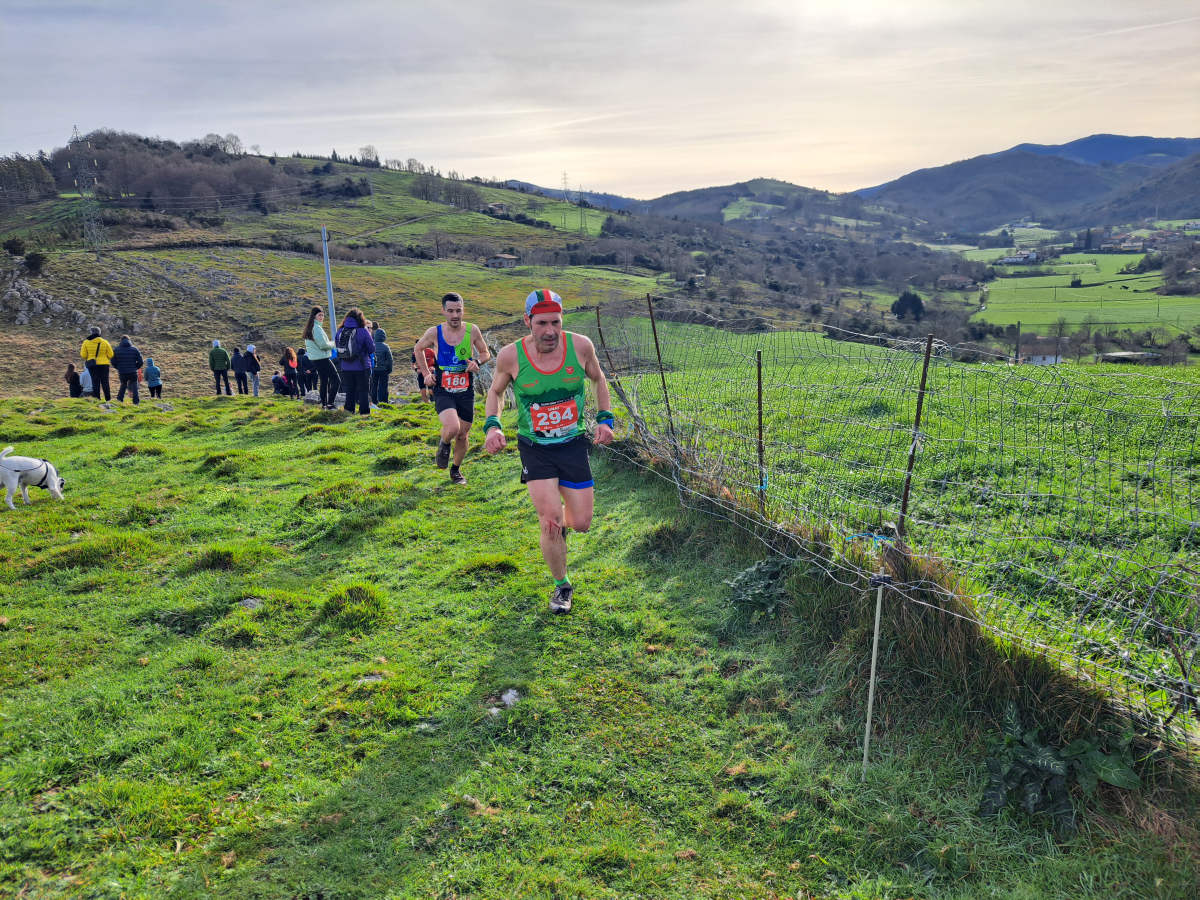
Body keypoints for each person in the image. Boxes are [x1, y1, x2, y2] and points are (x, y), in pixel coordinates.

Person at [484, 289, 615, 614]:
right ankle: (562, 586)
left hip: (572, 445)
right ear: (527, 321)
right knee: (550, 521)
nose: (550, 331)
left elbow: (599, 379)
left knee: (581, 522)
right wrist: (493, 426)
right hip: (535, 448)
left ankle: (562, 526)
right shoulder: (511, 356)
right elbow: (496, 392)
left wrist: (605, 419)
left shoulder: (581, 347)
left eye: (555, 322)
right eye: (542, 323)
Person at [414, 292, 491, 485]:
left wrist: (477, 362)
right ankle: (444, 443)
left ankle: (455, 470)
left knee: (463, 435)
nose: (455, 315)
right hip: (443, 389)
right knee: (453, 427)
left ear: (463, 310)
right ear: (443, 311)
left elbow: (485, 353)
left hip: (465, 390)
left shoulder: (472, 330)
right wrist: (426, 374)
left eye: (458, 311)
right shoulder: (435, 332)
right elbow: (418, 349)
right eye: (450, 311)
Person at [335, 307, 375, 415]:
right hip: (362, 366)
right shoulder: (363, 331)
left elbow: (337, 346)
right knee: (363, 390)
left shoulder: (340, 331)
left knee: (349, 390)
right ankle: (364, 412)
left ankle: (349, 411)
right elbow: (371, 349)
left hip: (345, 367)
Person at [303, 306, 339, 409]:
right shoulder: (317, 328)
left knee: (324, 381)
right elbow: (323, 345)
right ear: (314, 316)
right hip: (322, 358)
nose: (322, 317)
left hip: (317, 359)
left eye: (323, 315)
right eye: (319, 315)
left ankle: (324, 405)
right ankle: (330, 404)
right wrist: (334, 343)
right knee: (336, 380)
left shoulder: (312, 327)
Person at [80, 326, 113, 401]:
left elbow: (83, 355)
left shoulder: (86, 342)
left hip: (92, 365)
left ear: (91, 333)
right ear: (99, 333)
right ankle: (108, 399)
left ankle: (97, 399)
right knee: (105, 382)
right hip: (104, 364)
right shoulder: (105, 342)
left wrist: (90, 356)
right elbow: (111, 355)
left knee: (95, 383)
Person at [111, 334, 144, 405]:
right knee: (135, 386)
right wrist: (136, 367)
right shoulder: (134, 349)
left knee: (123, 385)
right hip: (133, 372)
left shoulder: (116, 350)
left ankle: (119, 400)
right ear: (129, 340)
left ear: (121, 341)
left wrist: (118, 368)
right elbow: (141, 361)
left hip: (122, 372)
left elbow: (113, 362)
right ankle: (136, 402)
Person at [371, 326, 393, 404]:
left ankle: (374, 401)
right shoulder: (386, 347)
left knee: (373, 386)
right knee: (383, 386)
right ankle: (383, 401)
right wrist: (389, 369)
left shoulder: (371, 346)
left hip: (373, 369)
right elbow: (390, 360)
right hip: (383, 370)